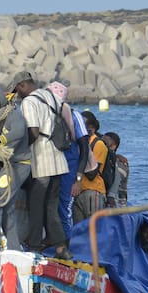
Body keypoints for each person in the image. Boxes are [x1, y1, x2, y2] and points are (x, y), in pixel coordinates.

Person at [14, 71, 71, 259]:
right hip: (58, 157)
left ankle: (35, 246)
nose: (17, 95)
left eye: (17, 90)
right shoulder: (50, 95)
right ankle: (61, 246)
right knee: (51, 206)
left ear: (23, 86)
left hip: (41, 158)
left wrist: (19, 151)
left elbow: (34, 131)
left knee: (36, 204)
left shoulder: (29, 102)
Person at [0, 88, 32, 251]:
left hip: (18, 165)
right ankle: (14, 248)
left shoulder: (14, 116)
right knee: (7, 207)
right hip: (5, 166)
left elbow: (19, 132)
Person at [47, 81, 90, 238]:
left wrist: (78, 178)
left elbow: (84, 148)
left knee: (64, 210)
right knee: (49, 208)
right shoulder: (44, 114)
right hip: (49, 167)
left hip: (69, 169)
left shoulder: (74, 116)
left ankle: (67, 246)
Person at [73, 110, 110, 222]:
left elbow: (92, 174)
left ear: (91, 127)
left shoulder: (98, 144)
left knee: (93, 229)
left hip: (93, 190)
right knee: (79, 231)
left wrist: (82, 154)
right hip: (78, 191)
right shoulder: (80, 142)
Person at [103, 131, 129, 207]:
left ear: (113, 146)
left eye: (105, 143)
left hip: (115, 203)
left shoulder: (119, 164)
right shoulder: (117, 161)